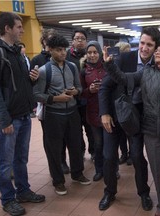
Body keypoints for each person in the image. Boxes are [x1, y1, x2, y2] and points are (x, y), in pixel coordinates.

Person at [103, 38, 160, 216]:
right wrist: (110, 65)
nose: (157, 52)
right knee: (158, 173)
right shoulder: (145, 73)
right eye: (156, 50)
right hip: (152, 131)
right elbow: (123, 78)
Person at [0, 12, 45, 216]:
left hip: (24, 115)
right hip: (8, 119)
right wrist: (3, 120)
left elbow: (18, 84)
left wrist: (32, 79)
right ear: (7, 28)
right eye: (19, 26)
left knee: (21, 158)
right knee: (4, 161)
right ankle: (8, 199)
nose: (22, 30)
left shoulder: (17, 52)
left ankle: (23, 191)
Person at [98, 27, 160, 211]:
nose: (144, 48)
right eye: (142, 43)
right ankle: (109, 191)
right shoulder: (125, 59)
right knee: (109, 157)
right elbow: (105, 87)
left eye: (149, 44)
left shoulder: (158, 65)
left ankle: (144, 193)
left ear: (156, 47)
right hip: (116, 116)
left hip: (138, 119)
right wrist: (104, 113)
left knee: (137, 156)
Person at [33, 34, 91, 196]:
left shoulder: (72, 67)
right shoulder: (44, 71)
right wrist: (56, 98)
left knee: (76, 145)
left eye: (64, 50)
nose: (63, 53)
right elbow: (36, 94)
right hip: (53, 114)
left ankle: (77, 173)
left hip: (72, 112)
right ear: (50, 50)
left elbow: (79, 88)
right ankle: (58, 181)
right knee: (54, 149)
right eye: (58, 50)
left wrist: (76, 91)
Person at [66, 28, 95, 169]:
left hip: (88, 99)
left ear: (86, 41)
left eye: (82, 38)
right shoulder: (66, 56)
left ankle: (94, 152)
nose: (79, 41)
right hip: (73, 101)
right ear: (72, 41)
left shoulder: (91, 56)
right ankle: (81, 151)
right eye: (77, 38)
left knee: (91, 128)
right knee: (76, 130)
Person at [80, 41, 106, 182]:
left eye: (95, 52)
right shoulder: (84, 70)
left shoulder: (108, 66)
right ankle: (99, 170)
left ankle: (113, 170)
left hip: (108, 111)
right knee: (98, 144)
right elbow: (80, 92)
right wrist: (89, 90)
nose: (92, 55)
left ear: (100, 53)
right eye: (89, 52)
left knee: (110, 144)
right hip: (92, 112)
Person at [114, 41, 132, 165]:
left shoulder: (132, 65)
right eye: (125, 51)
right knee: (120, 133)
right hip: (118, 102)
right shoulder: (115, 66)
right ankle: (124, 154)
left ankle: (131, 155)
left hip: (130, 102)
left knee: (130, 132)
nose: (127, 54)